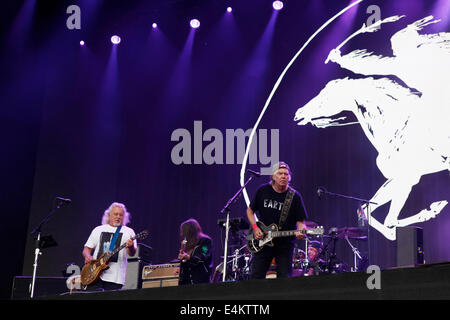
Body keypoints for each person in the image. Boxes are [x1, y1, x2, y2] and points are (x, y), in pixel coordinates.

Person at [247, 162, 308, 279]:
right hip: (263, 242)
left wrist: (302, 230)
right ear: (273, 176)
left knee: (285, 278)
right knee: (256, 276)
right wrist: (255, 228)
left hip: (285, 244)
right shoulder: (263, 190)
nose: (283, 176)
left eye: (286, 174)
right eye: (280, 173)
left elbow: (301, 222)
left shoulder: (294, 196)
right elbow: (250, 211)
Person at [82, 202, 137, 291]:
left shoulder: (128, 232)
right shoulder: (98, 229)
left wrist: (131, 247)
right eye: (115, 214)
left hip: (115, 278)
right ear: (109, 215)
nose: (118, 217)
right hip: (94, 274)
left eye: (121, 215)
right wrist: (87, 256)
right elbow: (86, 249)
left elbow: (132, 253)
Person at [177, 218, 213, 285]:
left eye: (183, 232)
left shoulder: (205, 241)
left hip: (200, 281)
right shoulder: (187, 244)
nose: (181, 234)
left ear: (190, 232)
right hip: (186, 282)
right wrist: (178, 267)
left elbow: (202, 257)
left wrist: (187, 257)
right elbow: (185, 262)